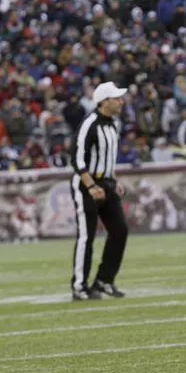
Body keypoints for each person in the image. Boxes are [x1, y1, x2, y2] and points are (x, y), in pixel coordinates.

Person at [69, 81, 129, 301]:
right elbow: (76, 159)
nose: (120, 102)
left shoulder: (113, 124)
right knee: (87, 236)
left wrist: (113, 180)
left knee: (119, 231)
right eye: (116, 98)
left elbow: (107, 159)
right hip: (86, 185)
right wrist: (91, 186)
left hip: (106, 184)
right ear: (104, 102)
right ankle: (79, 286)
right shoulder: (90, 124)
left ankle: (104, 280)